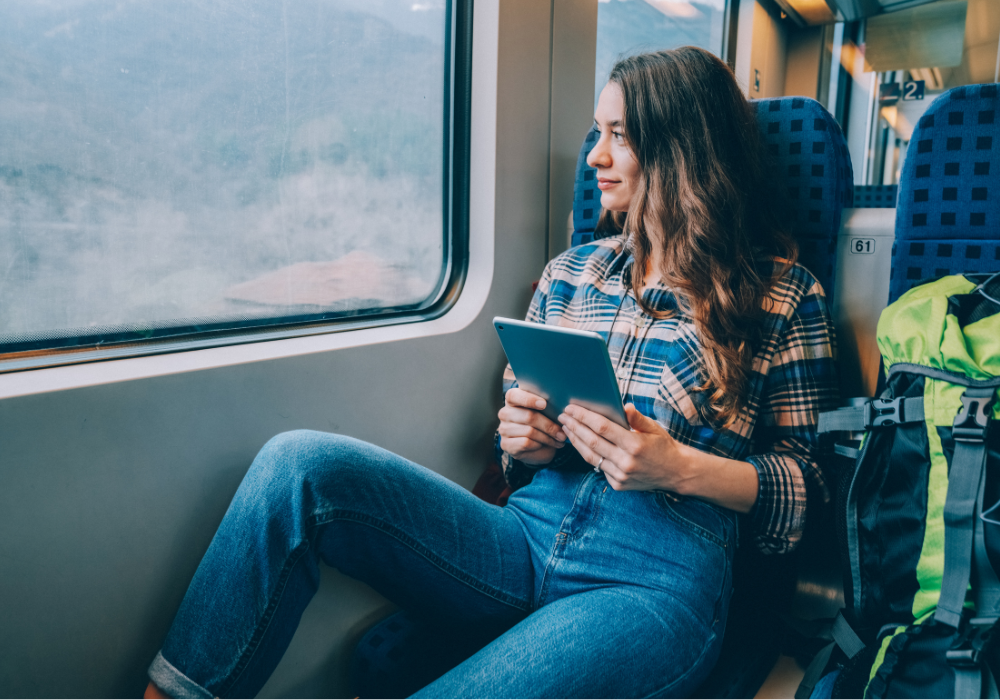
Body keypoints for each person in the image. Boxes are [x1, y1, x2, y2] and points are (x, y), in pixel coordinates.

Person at [145, 46, 837, 699]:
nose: (594, 156)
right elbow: (520, 451)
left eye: (618, 136)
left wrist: (678, 467)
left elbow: (806, 491)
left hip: (653, 580)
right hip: (521, 536)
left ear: (681, 149)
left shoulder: (783, 295)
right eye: (596, 132)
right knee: (297, 465)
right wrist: (521, 443)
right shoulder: (571, 275)